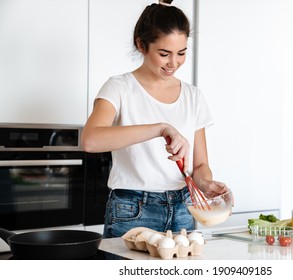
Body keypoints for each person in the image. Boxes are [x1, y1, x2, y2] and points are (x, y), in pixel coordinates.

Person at [81, 0, 230, 238]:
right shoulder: (119, 88)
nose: (174, 63)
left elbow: (200, 165)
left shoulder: (193, 96)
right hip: (132, 209)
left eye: (181, 53)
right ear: (142, 45)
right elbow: (90, 140)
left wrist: (206, 184)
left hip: (184, 208)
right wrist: (160, 128)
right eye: (164, 53)